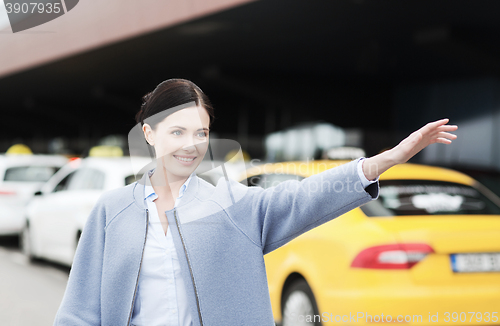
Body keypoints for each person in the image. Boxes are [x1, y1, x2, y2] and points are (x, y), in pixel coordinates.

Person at [53, 79, 458, 326]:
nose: (191, 145)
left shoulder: (234, 207)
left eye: (201, 133)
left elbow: (304, 197)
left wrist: (381, 162)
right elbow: (79, 311)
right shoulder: (112, 211)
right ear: (149, 133)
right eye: (177, 132)